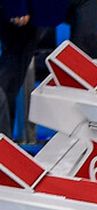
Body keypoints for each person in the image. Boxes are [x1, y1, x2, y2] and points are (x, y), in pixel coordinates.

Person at [0, 1, 68, 138]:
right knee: (11, 72)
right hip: (23, 12)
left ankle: (5, 140)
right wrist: (16, 6)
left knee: (14, 68)